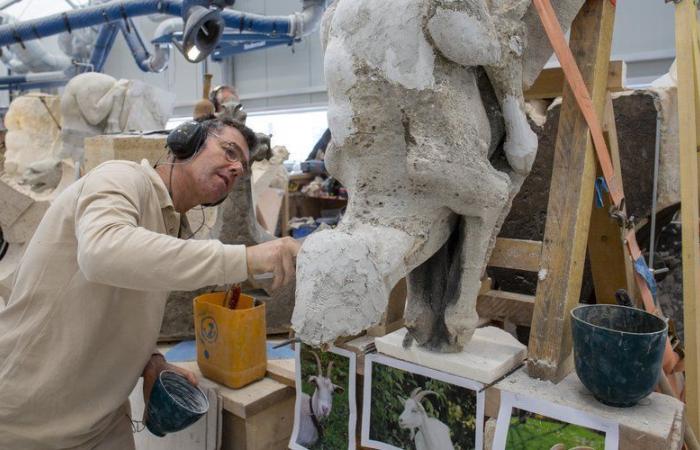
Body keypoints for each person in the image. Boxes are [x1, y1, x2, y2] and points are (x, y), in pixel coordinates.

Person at [0, 116, 301, 450]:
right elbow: (102, 253)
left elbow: (122, 302)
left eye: (242, 167)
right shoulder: (120, 178)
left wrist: (149, 359)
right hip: (26, 417)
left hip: (101, 420)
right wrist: (245, 259)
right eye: (228, 151)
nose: (236, 169)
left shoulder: (172, 224)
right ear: (186, 141)